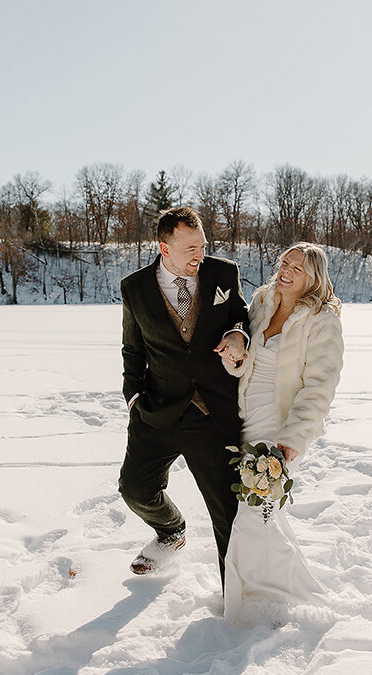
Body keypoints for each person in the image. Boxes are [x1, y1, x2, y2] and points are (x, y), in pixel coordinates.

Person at [119, 206, 250, 586]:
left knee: (228, 510)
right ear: (165, 248)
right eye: (191, 247)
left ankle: (237, 597)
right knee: (136, 489)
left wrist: (238, 335)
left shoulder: (223, 273)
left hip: (213, 413)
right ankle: (171, 531)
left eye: (204, 245)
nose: (200, 254)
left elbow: (240, 314)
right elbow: (133, 348)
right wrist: (132, 397)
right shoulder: (136, 288)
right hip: (158, 408)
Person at [219, 242, 344, 622]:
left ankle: (263, 596)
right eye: (284, 263)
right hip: (242, 417)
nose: (286, 271)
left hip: (278, 428)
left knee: (253, 511)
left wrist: (292, 437)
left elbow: (320, 385)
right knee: (260, 512)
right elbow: (249, 363)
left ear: (314, 278)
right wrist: (235, 359)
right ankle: (258, 587)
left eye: (297, 268)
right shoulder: (263, 301)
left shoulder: (322, 320)